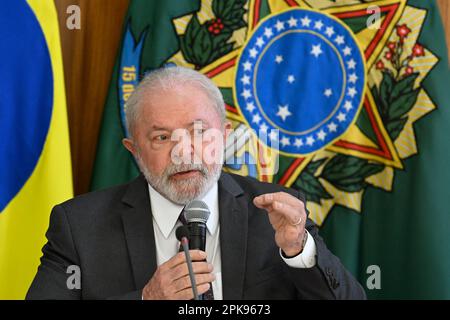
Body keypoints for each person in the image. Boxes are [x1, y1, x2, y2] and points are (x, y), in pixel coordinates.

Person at [27, 66, 366, 300]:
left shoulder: (275, 212)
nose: (183, 152)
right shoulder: (79, 225)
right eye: (161, 137)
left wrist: (299, 251)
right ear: (134, 150)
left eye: (199, 132)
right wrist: (147, 298)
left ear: (226, 136)